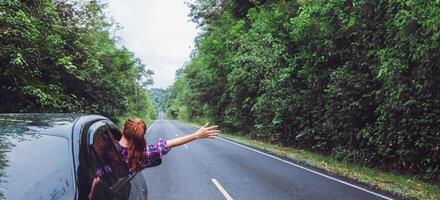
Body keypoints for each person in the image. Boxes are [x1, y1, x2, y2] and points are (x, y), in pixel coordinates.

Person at [88, 118, 220, 199]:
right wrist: (196, 135)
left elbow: (96, 180)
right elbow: (169, 143)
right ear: (141, 136)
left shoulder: (104, 145)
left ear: (123, 129)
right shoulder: (141, 155)